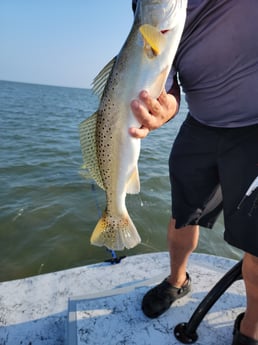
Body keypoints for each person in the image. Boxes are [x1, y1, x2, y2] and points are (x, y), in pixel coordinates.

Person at [130, 1, 258, 344]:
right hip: (200, 124)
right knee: (182, 216)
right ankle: (177, 280)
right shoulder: (148, 3)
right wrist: (164, 106)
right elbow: (164, 74)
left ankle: (251, 329)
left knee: (257, 242)